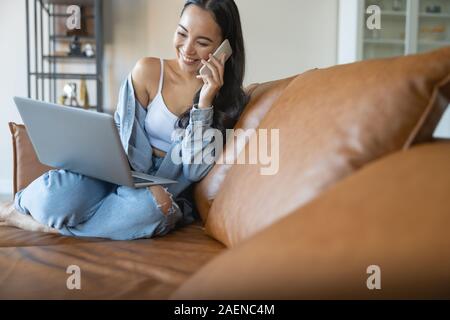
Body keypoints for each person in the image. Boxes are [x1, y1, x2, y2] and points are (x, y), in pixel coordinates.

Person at [0, 0, 250, 240]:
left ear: (224, 49)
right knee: (58, 198)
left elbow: (194, 171)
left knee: (154, 209)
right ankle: (20, 205)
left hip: (156, 193)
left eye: (203, 42)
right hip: (115, 169)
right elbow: (122, 136)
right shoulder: (149, 71)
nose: (187, 49)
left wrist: (204, 102)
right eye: (182, 33)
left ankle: (48, 227)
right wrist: (122, 172)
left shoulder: (227, 102)